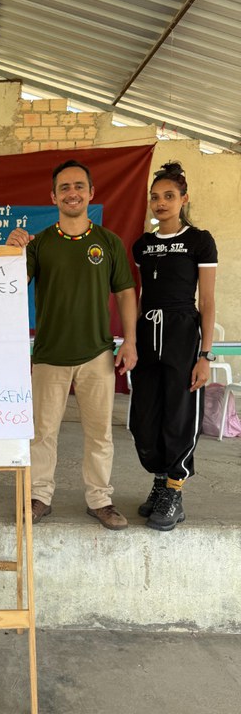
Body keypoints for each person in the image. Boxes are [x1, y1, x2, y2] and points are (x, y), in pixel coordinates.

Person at [7, 159, 137, 530]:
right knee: (42, 432)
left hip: (97, 353)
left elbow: (126, 293)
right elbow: (9, 283)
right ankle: (39, 496)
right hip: (49, 354)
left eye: (79, 186)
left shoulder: (108, 242)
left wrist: (130, 341)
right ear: (53, 197)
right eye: (64, 188)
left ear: (91, 193)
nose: (72, 193)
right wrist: (12, 247)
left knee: (99, 433)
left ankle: (100, 499)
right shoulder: (40, 243)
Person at [130, 161, 217, 532]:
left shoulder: (200, 240)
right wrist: (131, 340)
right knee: (145, 419)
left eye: (168, 196)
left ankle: (174, 491)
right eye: (155, 197)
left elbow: (208, 301)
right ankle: (159, 478)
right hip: (147, 336)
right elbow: (138, 295)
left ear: (183, 198)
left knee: (180, 416)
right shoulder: (143, 245)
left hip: (183, 335)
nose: (161, 203)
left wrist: (205, 355)